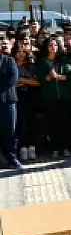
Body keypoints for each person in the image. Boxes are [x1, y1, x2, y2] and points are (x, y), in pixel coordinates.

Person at [0, 37, 20, 170]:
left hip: (7, 101)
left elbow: (13, 79)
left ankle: (12, 158)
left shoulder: (9, 61)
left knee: (10, 131)